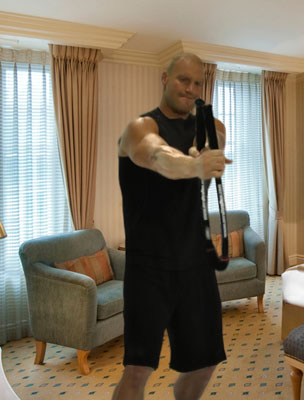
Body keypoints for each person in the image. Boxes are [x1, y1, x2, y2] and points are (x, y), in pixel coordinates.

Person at [114, 53, 230, 400]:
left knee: (205, 362)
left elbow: (214, 141)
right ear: (165, 78)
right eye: (183, 79)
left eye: (197, 83)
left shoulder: (211, 126)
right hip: (148, 266)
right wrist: (194, 166)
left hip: (196, 263)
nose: (191, 88)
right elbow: (156, 155)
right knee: (138, 369)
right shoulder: (140, 128)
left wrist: (206, 151)